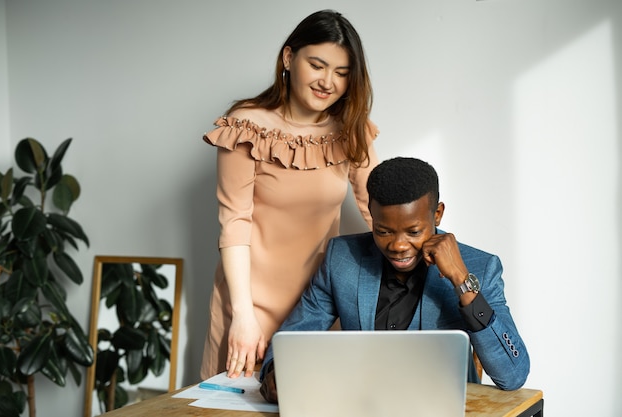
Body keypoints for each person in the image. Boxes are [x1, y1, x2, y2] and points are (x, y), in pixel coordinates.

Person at [260, 157, 530, 403]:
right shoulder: (341, 259)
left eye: (413, 231)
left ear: (437, 214)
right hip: (359, 406)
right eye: (384, 231)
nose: (398, 245)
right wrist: (277, 372)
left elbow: (513, 376)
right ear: (372, 214)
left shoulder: (480, 267)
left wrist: (461, 280)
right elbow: (292, 339)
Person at [200, 9, 379, 380]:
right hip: (249, 305)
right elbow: (234, 223)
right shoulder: (246, 125)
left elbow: (379, 210)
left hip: (320, 307)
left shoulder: (350, 130)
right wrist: (243, 316)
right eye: (318, 65)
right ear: (288, 58)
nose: (328, 81)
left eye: (342, 73)